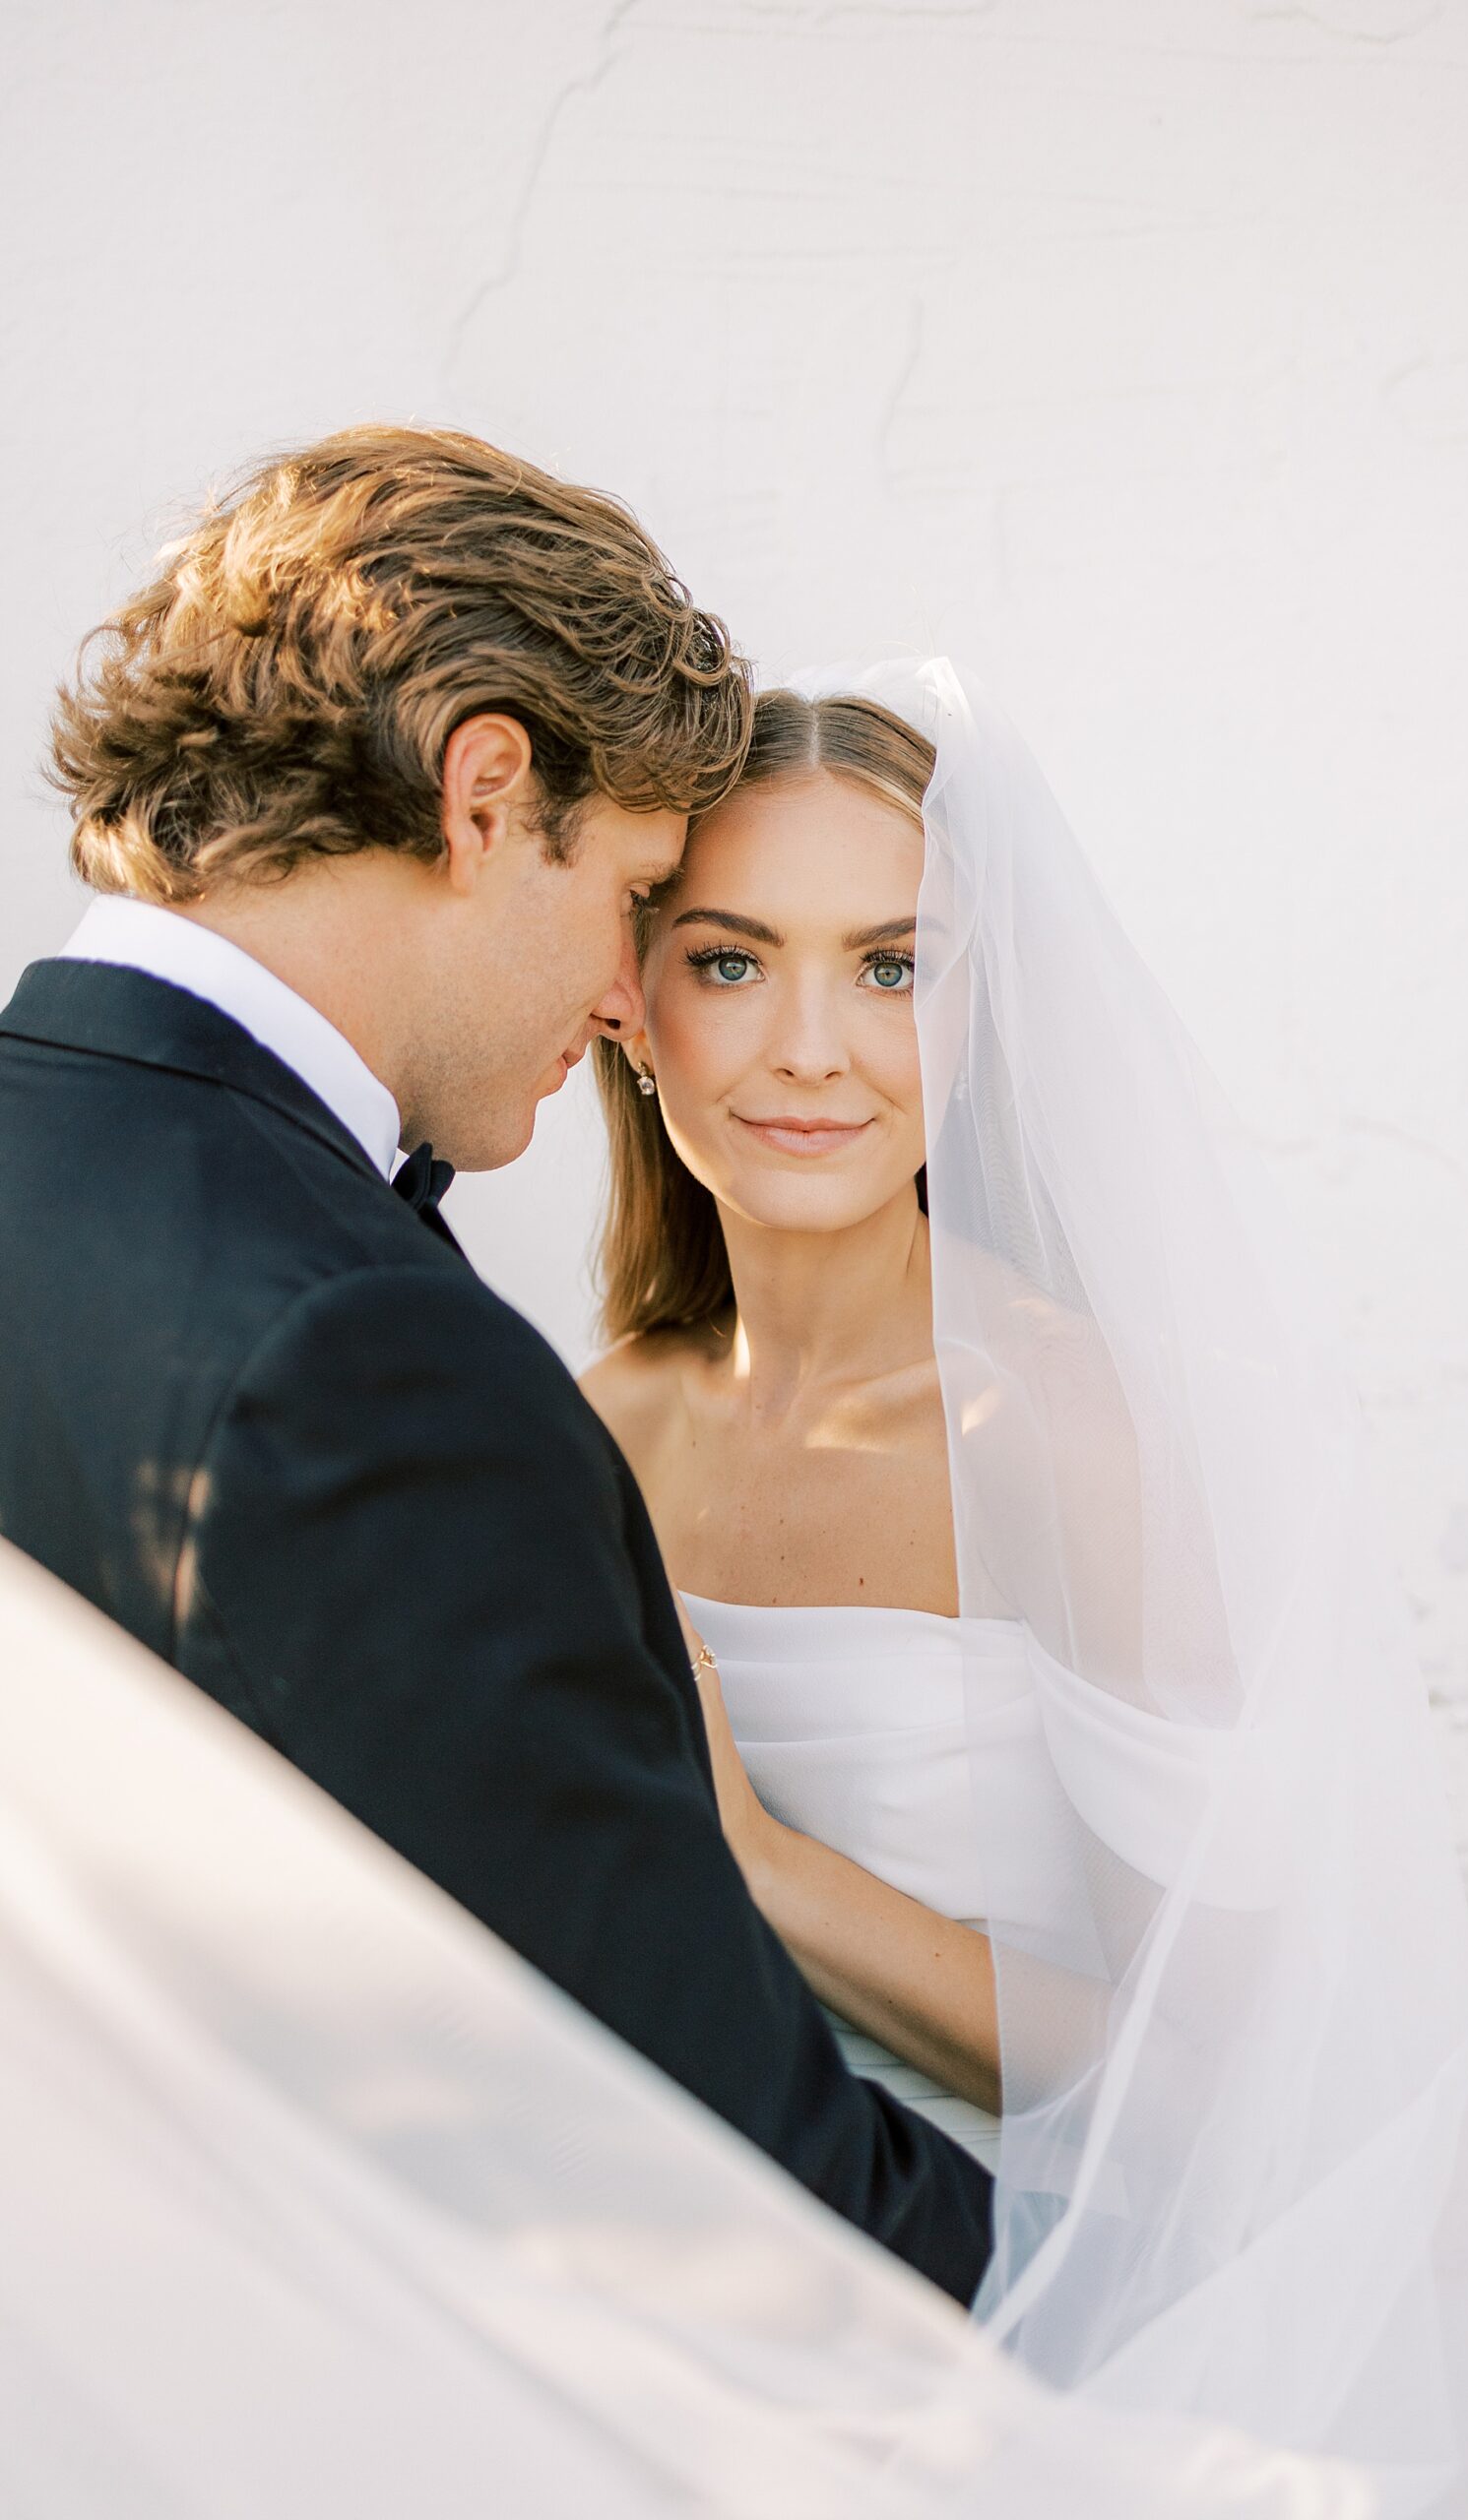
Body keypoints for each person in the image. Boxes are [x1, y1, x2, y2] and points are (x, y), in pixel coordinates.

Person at [583, 663, 1468, 2514]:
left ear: (982, 1019)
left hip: (1052, 2358)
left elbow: (1235, 2092)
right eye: (733, 961)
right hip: (698, 2348)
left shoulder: (1064, 1432)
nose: (815, 1045)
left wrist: (765, 1873)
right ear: (626, 1003)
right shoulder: (598, 1427)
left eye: (894, 968)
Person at [0, 434, 992, 2304]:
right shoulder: (362, 1353)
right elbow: (715, 2187)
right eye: (639, 901)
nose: (627, 1000)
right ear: (482, 792)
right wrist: (1134, 2367)